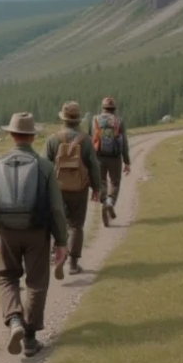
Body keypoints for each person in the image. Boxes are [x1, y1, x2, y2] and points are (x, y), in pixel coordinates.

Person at [0, 112, 69, 358]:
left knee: (7, 276)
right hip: (37, 232)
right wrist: (61, 241)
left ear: (11, 135)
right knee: (37, 282)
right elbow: (56, 208)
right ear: (32, 136)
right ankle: (29, 338)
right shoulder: (44, 166)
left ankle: (14, 320)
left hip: (6, 232)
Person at [44, 101, 103, 275]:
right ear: (78, 119)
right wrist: (97, 188)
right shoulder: (85, 140)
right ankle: (73, 264)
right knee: (76, 225)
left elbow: (44, 166)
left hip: (57, 189)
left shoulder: (53, 139)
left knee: (56, 222)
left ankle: (57, 255)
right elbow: (94, 166)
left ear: (63, 118)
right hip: (79, 189)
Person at [91, 96, 131, 226]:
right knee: (115, 183)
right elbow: (124, 142)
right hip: (115, 158)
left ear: (103, 108)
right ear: (114, 109)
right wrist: (127, 161)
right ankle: (110, 201)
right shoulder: (119, 121)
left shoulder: (95, 119)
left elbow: (90, 139)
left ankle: (104, 203)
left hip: (99, 157)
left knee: (102, 182)